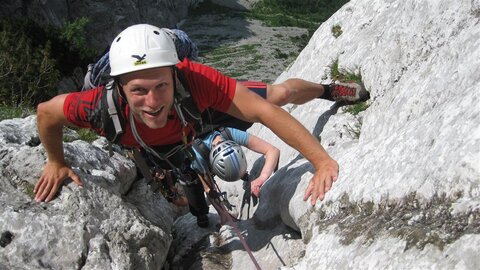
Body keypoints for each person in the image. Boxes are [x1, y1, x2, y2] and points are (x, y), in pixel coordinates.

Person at [33, 24, 369, 227]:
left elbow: (264, 112)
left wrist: (321, 161)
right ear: (119, 87)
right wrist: (56, 161)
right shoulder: (98, 107)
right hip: (157, 143)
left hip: (199, 112)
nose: (152, 101)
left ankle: (326, 89)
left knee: (278, 93)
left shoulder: (194, 81)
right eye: (138, 90)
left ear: (176, 71)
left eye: (160, 86)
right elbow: (47, 113)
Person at [191, 127, 280, 197]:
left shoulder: (230, 133)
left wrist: (261, 178)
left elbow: (273, 151)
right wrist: (224, 215)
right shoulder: (198, 157)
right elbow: (208, 189)